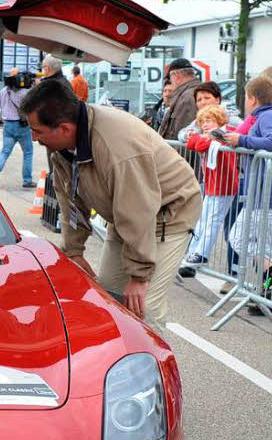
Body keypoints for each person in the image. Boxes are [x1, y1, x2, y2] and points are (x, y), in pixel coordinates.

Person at [21, 79, 201, 324]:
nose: (33, 138)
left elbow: (138, 209)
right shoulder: (60, 145)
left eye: (38, 131)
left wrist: (139, 276)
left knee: (144, 308)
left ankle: (152, 361)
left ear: (64, 129)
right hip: (125, 214)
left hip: (170, 214)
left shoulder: (117, 147)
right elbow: (69, 197)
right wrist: (74, 251)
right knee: (106, 297)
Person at [223, 75, 272, 312]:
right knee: (248, 240)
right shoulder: (268, 115)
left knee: (263, 245)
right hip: (264, 194)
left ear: (252, 98)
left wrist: (241, 139)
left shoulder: (270, 116)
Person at [178, 104, 238, 277]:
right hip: (211, 186)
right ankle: (194, 252)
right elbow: (192, 143)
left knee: (213, 221)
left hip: (224, 187)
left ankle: (201, 254)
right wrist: (203, 138)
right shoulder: (208, 136)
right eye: (202, 121)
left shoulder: (225, 135)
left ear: (219, 121)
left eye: (209, 120)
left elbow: (199, 145)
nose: (205, 124)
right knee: (203, 220)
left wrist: (206, 138)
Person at [0, 68, 35, 189]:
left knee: (5, 151)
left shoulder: (3, 91)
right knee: (28, 152)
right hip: (21, 125)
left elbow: (1, 105)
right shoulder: (24, 92)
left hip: (7, 125)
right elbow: (31, 105)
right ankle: (27, 180)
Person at [157, 58, 200, 140]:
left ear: (176, 75)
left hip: (179, 151)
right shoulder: (193, 92)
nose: (171, 82)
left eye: (170, 78)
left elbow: (183, 132)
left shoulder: (187, 97)